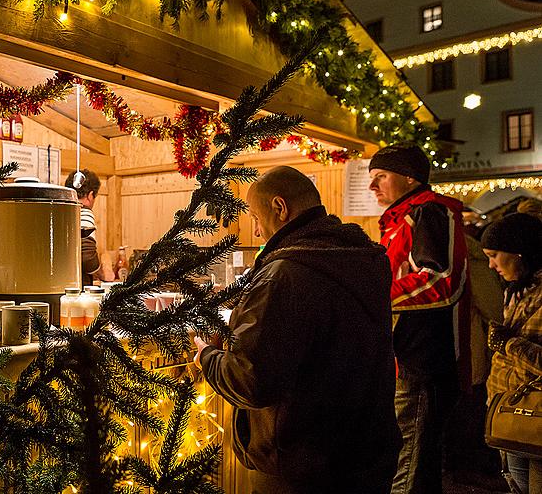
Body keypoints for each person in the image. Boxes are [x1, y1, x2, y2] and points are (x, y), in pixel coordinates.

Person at [194, 166, 401, 493]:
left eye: (255, 217)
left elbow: (251, 381)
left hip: (302, 467)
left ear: (279, 207)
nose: (257, 231)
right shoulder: (363, 257)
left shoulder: (285, 274)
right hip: (367, 454)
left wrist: (206, 355)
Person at [368, 144, 468, 494]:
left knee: (410, 460)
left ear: (409, 178)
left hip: (422, 359)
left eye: (381, 176)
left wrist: (374, 296)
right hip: (403, 356)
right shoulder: (399, 219)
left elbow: (441, 280)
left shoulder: (429, 212)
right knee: (412, 460)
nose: (372, 186)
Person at [481, 213, 542, 494]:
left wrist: (507, 343)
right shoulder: (517, 290)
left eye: (495, 255)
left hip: (536, 418)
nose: (492, 265)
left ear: (519, 251)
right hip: (512, 415)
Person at [65, 169, 112, 285]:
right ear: (90, 195)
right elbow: (87, 258)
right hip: (77, 286)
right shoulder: (84, 212)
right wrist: (99, 271)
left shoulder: (63, 211)